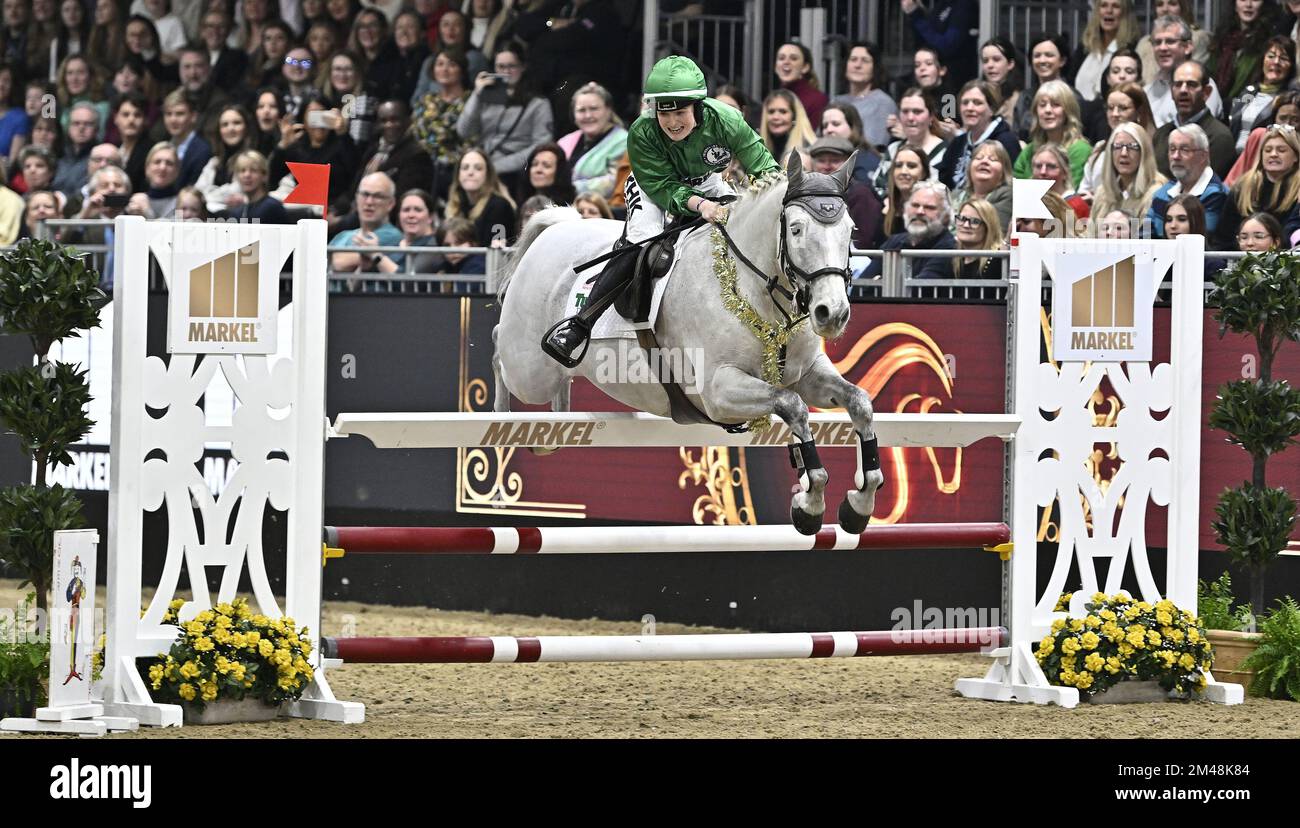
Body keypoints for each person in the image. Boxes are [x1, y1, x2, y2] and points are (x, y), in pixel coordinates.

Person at [542, 55, 780, 367]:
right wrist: (701, 205)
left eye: (680, 112)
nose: (671, 122)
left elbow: (765, 168)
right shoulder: (642, 131)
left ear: (697, 106)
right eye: (663, 114)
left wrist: (774, 200)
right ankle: (579, 325)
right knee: (645, 237)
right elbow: (662, 186)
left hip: (707, 180)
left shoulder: (728, 120)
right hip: (652, 185)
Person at [455, 41, 553, 193]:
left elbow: (541, 145)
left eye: (511, 66)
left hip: (513, 171)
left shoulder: (538, 103)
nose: (506, 72)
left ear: (523, 67)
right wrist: (477, 94)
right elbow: (464, 131)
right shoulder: (487, 98)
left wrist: (498, 166)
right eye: (501, 67)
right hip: (483, 165)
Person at [1147, 123, 1230, 243]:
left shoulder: (1217, 194)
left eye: (1184, 150)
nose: (1176, 156)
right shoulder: (1163, 192)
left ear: (1203, 156)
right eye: (1172, 149)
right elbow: (1144, 233)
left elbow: (1202, 239)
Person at [1152, 60, 1236, 179]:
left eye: (1191, 85)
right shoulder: (1161, 134)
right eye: (1178, 84)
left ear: (1206, 92)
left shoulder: (1219, 136)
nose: (1183, 90)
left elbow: (1206, 187)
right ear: (1171, 91)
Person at [1222, 123, 1300, 247]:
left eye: (1281, 150)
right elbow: (1223, 236)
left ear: (1296, 156)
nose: (1273, 154)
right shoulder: (1242, 187)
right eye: (1268, 150)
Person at [936, 80, 1020, 193]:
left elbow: (1011, 185)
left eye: (977, 103)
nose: (969, 108)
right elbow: (943, 182)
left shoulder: (1006, 142)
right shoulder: (958, 142)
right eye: (965, 103)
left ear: (992, 109)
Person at [863, 180, 958, 280]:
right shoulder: (894, 242)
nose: (919, 212)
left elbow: (920, 291)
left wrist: (880, 281)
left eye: (929, 207)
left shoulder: (949, 248)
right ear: (906, 208)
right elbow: (861, 285)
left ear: (946, 216)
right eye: (915, 205)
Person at [410, 47, 470, 200]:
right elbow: (416, 134)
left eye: (451, 64)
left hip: (456, 169)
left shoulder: (470, 101)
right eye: (440, 64)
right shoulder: (426, 100)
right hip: (424, 167)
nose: (445, 69)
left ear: (461, 70)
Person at [1146, 16, 1225, 127]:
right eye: (1157, 42)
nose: (1162, 48)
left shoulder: (1202, 87)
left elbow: (1200, 133)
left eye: (1170, 41)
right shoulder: (1148, 90)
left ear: (1188, 46)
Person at [1080, 82, 1157, 195]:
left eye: (1123, 108)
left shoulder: (1153, 148)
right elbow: (1084, 188)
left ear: (1138, 112)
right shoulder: (1099, 148)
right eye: (1110, 108)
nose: (1115, 114)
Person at [808, 135, 883, 250]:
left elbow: (862, 242)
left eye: (835, 161)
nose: (827, 166)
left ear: (850, 164)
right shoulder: (805, 195)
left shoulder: (860, 195)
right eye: (821, 161)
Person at [1013, 80, 1093, 187]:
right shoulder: (1028, 152)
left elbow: (1072, 191)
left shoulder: (1080, 150)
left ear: (1068, 111)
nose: (1048, 110)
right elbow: (1016, 189)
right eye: (1042, 105)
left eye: (1056, 105)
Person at [1089, 122, 1167, 228]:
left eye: (1132, 147)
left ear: (1144, 152)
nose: (1124, 153)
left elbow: (1148, 239)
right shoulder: (1103, 192)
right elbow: (1090, 235)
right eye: (1118, 146)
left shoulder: (1156, 193)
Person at [329, 171, 401, 286]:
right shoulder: (342, 235)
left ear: (391, 203)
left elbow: (339, 262)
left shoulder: (393, 235)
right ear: (356, 198)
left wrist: (333, 260)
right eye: (365, 194)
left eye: (378, 196)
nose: (369, 202)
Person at [559, 82, 628, 201]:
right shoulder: (565, 142)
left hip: (602, 211)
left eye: (594, 109)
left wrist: (569, 188)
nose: (588, 115)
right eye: (581, 110)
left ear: (608, 110)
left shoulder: (623, 141)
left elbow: (616, 181)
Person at [875, 87, 947, 196]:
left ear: (931, 116)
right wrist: (889, 200)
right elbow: (878, 185)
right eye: (905, 111)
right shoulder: (893, 149)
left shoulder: (946, 153)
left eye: (917, 112)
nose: (910, 117)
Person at [1228, 35, 1295, 151]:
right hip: (1234, 157)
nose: (1276, 62)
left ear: (1291, 66)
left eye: (1283, 58)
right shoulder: (1248, 91)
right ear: (1262, 60)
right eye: (1271, 56)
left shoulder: (1289, 100)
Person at [1209, 0, 1282, 101]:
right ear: (1234, 5)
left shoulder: (1270, 42)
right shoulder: (1224, 38)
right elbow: (1208, 74)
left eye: (1255, 0)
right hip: (1217, 104)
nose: (1248, 5)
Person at [444, 146, 516, 247]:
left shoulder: (499, 206)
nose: (470, 172)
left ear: (488, 175)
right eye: (465, 168)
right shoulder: (455, 205)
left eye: (478, 168)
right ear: (458, 175)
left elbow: (494, 251)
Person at [1071, 0, 1142, 102]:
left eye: (1116, 6)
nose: (1109, 11)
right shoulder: (1085, 47)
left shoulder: (1133, 48)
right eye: (1104, 5)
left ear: (1125, 13)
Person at [832, 41, 896, 149]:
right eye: (853, 60)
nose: (857, 65)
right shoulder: (836, 101)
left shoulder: (883, 102)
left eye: (865, 61)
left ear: (875, 68)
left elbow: (875, 145)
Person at [901, 0, 978, 86]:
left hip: (954, 81)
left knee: (948, 99)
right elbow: (926, 42)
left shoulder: (963, 5)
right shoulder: (940, 4)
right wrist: (918, 13)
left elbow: (948, 46)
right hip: (935, 80)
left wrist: (916, 16)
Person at [1135, 0, 1211, 84]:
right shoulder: (1144, 43)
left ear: (1183, 8)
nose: (1165, 9)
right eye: (1159, 4)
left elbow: (1195, 76)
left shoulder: (1197, 38)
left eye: (1172, 4)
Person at [953, 140, 1014, 233]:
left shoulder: (1008, 195)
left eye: (993, 159)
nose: (984, 161)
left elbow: (995, 232)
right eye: (978, 158)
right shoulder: (957, 194)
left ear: (1004, 170)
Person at [219, 149, 289, 224]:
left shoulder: (272, 207)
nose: (247, 175)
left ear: (264, 175)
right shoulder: (238, 211)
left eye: (253, 170)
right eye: (242, 170)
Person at [161, 90, 212, 189]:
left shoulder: (202, 151)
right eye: (168, 114)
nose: (173, 120)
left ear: (193, 116)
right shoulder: (162, 146)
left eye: (179, 114)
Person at [820, 103, 880, 183]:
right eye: (825, 126)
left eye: (836, 124)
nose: (829, 130)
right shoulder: (818, 160)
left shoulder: (865, 161)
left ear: (853, 128)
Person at [772, 41, 827, 126]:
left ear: (805, 67)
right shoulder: (773, 98)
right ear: (776, 67)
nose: (786, 62)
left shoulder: (817, 100)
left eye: (793, 58)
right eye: (781, 58)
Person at [759, 88, 816, 164]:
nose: (775, 117)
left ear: (795, 116)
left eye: (783, 112)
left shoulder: (809, 149)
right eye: (771, 112)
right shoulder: (758, 147)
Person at [881, 144, 927, 238]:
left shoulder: (931, 211)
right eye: (898, 166)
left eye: (911, 166)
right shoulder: (883, 209)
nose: (904, 172)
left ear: (924, 173)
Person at [952, 198, 1004, 278]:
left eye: (975, 221)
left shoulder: (998, 259)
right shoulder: (952, 256)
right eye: (962, 219)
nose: (966, 225)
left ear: (988, 227)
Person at [980, 37, 1023, 126]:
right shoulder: (976, 95)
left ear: (1010, 64)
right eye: (985, 61)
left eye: (996, 59)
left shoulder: (1019, 99)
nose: (990, 65)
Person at [517, 142, 575, 206]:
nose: (538, 170)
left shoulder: (570, 206)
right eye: (534, 164)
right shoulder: (522, 202)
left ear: (559, 172)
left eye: (546, 166)